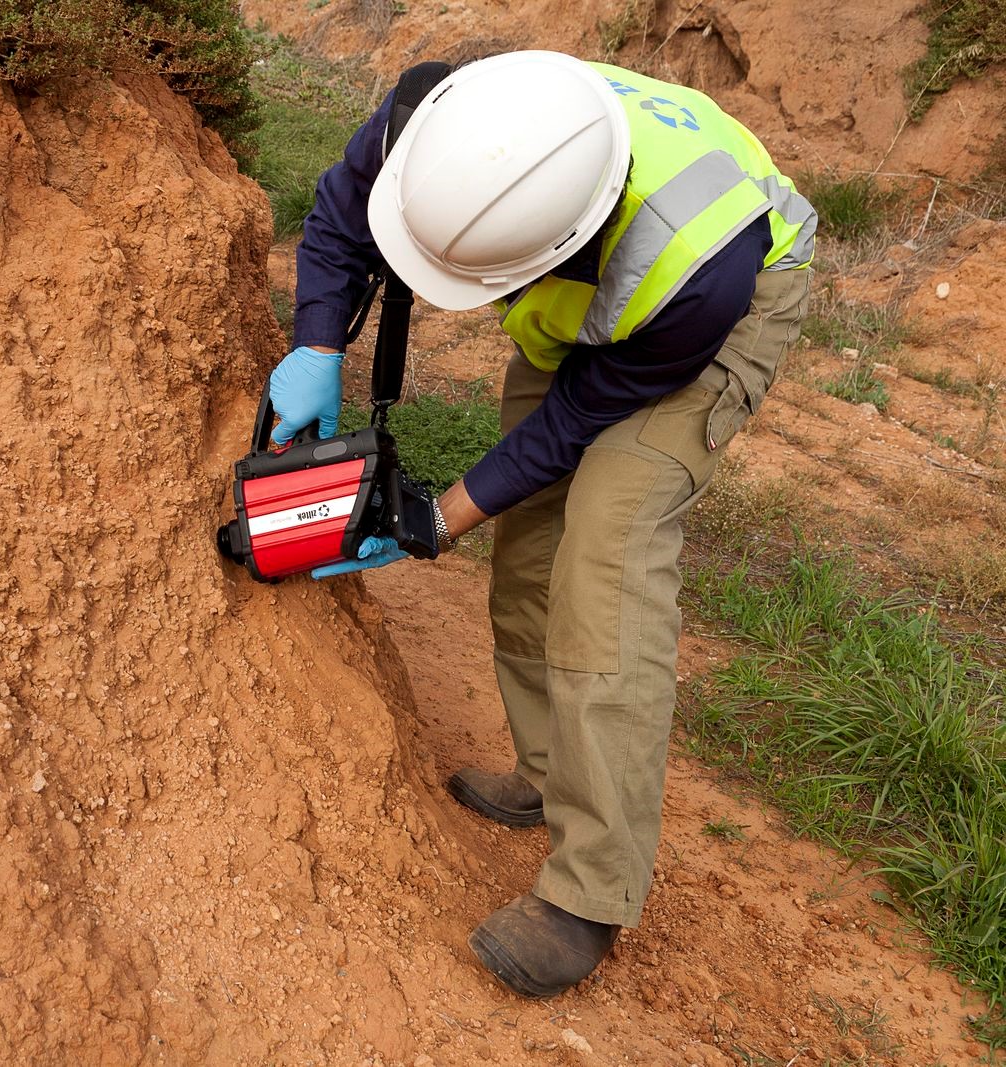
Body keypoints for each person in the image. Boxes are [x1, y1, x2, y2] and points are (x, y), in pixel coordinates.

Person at [273, 50, 814, 997]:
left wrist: (437, 520)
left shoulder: (693, 276)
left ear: (560, 246)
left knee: (605, 553)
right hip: (586, 298)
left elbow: (575, 425)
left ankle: (591, 892)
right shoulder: (442, 123)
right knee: (527, 546)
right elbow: (335, 220)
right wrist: (318, 342)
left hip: (709, 306)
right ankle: (549, 773)